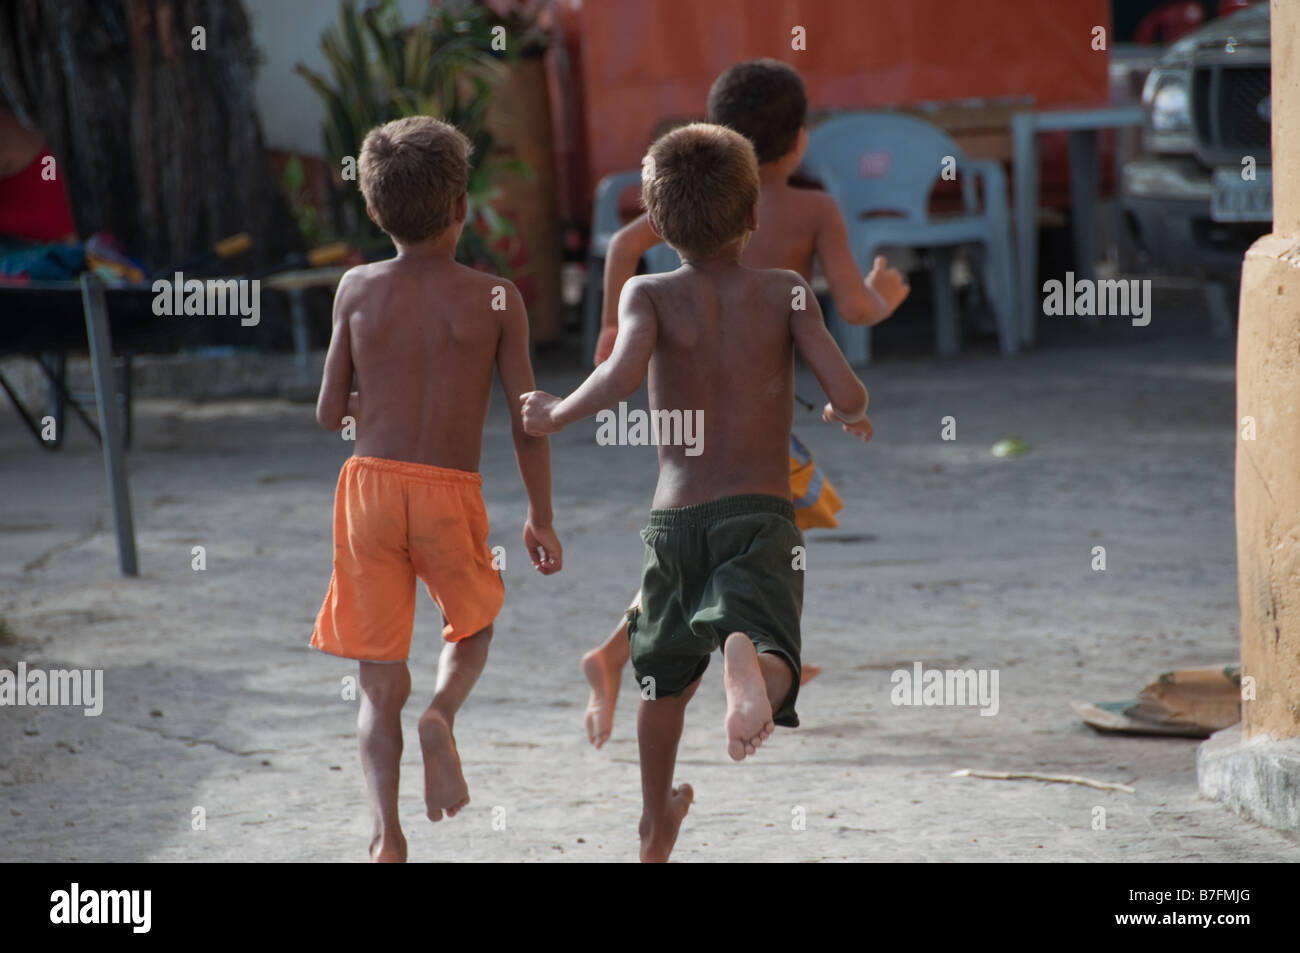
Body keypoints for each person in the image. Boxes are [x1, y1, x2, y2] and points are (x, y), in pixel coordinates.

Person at [521, 123, 871, 861]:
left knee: (661, 683)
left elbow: (614, 380)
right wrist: (845, 409)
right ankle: (749, 664)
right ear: (753, 218)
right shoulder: (786, 291)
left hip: (674, 520)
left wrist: (553, 414)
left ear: (660, 226)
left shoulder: (647, 292)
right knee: (775, 641)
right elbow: (847, 388)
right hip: (762, 514)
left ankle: (654, 819)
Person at [580, 59, 907, 749]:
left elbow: (627, 242)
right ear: (799, 140)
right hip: (759, 419)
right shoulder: (815, 207)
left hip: (692, 414)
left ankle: (732, 645)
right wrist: (888, 295)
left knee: (715, 539)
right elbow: (852, 305)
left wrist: (614, 325)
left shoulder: (695, 205)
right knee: (753, 534)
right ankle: (711, 652)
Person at [309, 116, 562, 863]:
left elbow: (329, 412)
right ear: (461, 208)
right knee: (473, 623)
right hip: (449, 491)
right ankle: (442, 714)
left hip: (370, 491)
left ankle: (387, 833)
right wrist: (539, 515)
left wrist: (363, 408)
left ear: (375, 210)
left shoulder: (355, 288)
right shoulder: (495, 298)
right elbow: (527, 421)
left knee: (376, 676)